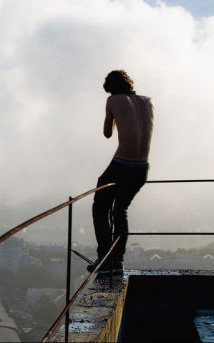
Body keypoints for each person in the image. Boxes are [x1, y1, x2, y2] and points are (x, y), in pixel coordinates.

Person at [87, 70, 154, 275]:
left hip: (122, 164)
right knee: (120, 211)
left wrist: (113, 117)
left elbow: (107, 134)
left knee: (100, 207)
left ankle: (105, 258)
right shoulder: (147, 101)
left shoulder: (113, 100)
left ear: (110, 88)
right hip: (142, 168)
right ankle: (118, 261)